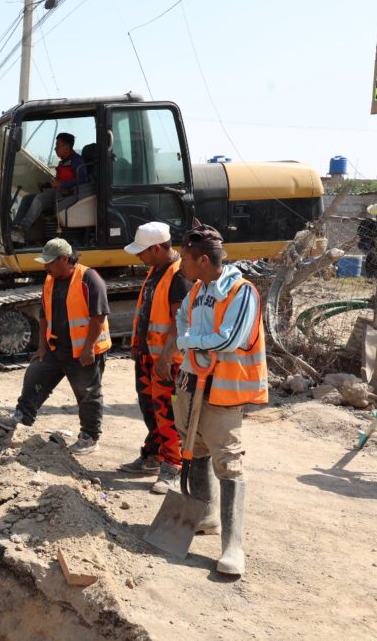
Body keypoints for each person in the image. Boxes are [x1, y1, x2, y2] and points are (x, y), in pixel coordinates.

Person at [173, 224, 266, 577]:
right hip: (194, 385)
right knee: (194, 449)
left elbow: (228, 340)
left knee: (228, 461)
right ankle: (207, 514)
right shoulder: (197, 289)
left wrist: (190, 341)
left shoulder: (242, 293)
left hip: (225, 390)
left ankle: (233, 546)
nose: (181, 264)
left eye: (184, 258)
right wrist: (192, 338)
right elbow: (183, 321)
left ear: (201, 259)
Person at [12, 238, 111, 454]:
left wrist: (88, 348)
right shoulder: (51, 279)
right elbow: (44, 315)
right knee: (35, 375)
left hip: (82, 352)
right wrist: (42, 346)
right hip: (56, 348)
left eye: (49, 262)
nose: (45, 267)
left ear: (64, 259)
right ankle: (22, 416)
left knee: (87, 393)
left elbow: (98, 317)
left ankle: (89, 437)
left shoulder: (89, 278)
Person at [119, 222, 192, 494]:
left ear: (158, 248)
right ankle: (154, 454)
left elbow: (178, 322)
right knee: (150, 408)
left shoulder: (178, 277)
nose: (139, 257)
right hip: (149, 356)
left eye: (142, 252)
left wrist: (164, 358)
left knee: (167, 413)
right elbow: (148, 312)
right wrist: (138, 344)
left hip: (167, 361)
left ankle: (173, 466)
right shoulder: (155, 271)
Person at [13, 132, 89, 243]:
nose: (55, 148)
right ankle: (15, 225)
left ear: (67, 146)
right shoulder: (63, 162)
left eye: (58, 145)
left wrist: (61, 185)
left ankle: (22, 229)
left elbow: (83, 179)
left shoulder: (76, 160)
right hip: (57, 192)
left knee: (39, 199)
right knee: (27, 198)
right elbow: (60, 180)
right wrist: (47, 185)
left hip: (67, 195)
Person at [356, 203, 377, 278]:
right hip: (371, 246)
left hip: (368, 246)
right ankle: (373, 277)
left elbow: (360, 234)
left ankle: (371, 277)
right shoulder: (371, 222)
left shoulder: (367, 221)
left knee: (371, 261)